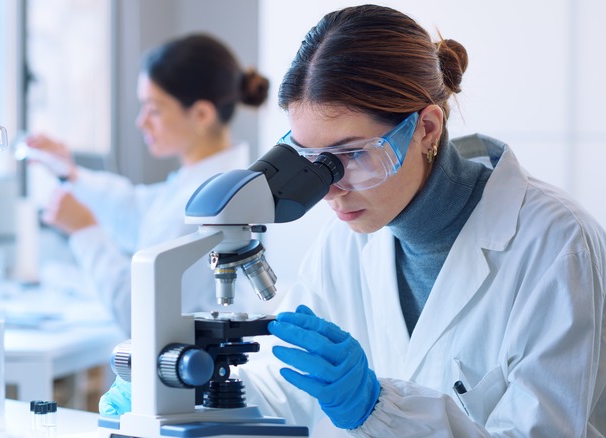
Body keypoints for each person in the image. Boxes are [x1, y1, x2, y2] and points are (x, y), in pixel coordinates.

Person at [100, 5, 606, 436]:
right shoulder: (347, 241)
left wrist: (376, 408)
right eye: (310, 161)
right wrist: (188, 388)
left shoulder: (556, 244)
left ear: (426, 128)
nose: (330, 188)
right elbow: (292, 386)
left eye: (352, 154)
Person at [26, 33, 269, 336]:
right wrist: (69, 174)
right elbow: (136, 209)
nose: (141, 122)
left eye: (154, 109)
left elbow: (141, 317)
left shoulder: (214, 204)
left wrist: (84, 233)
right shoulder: (201, 183)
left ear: (202, 114)